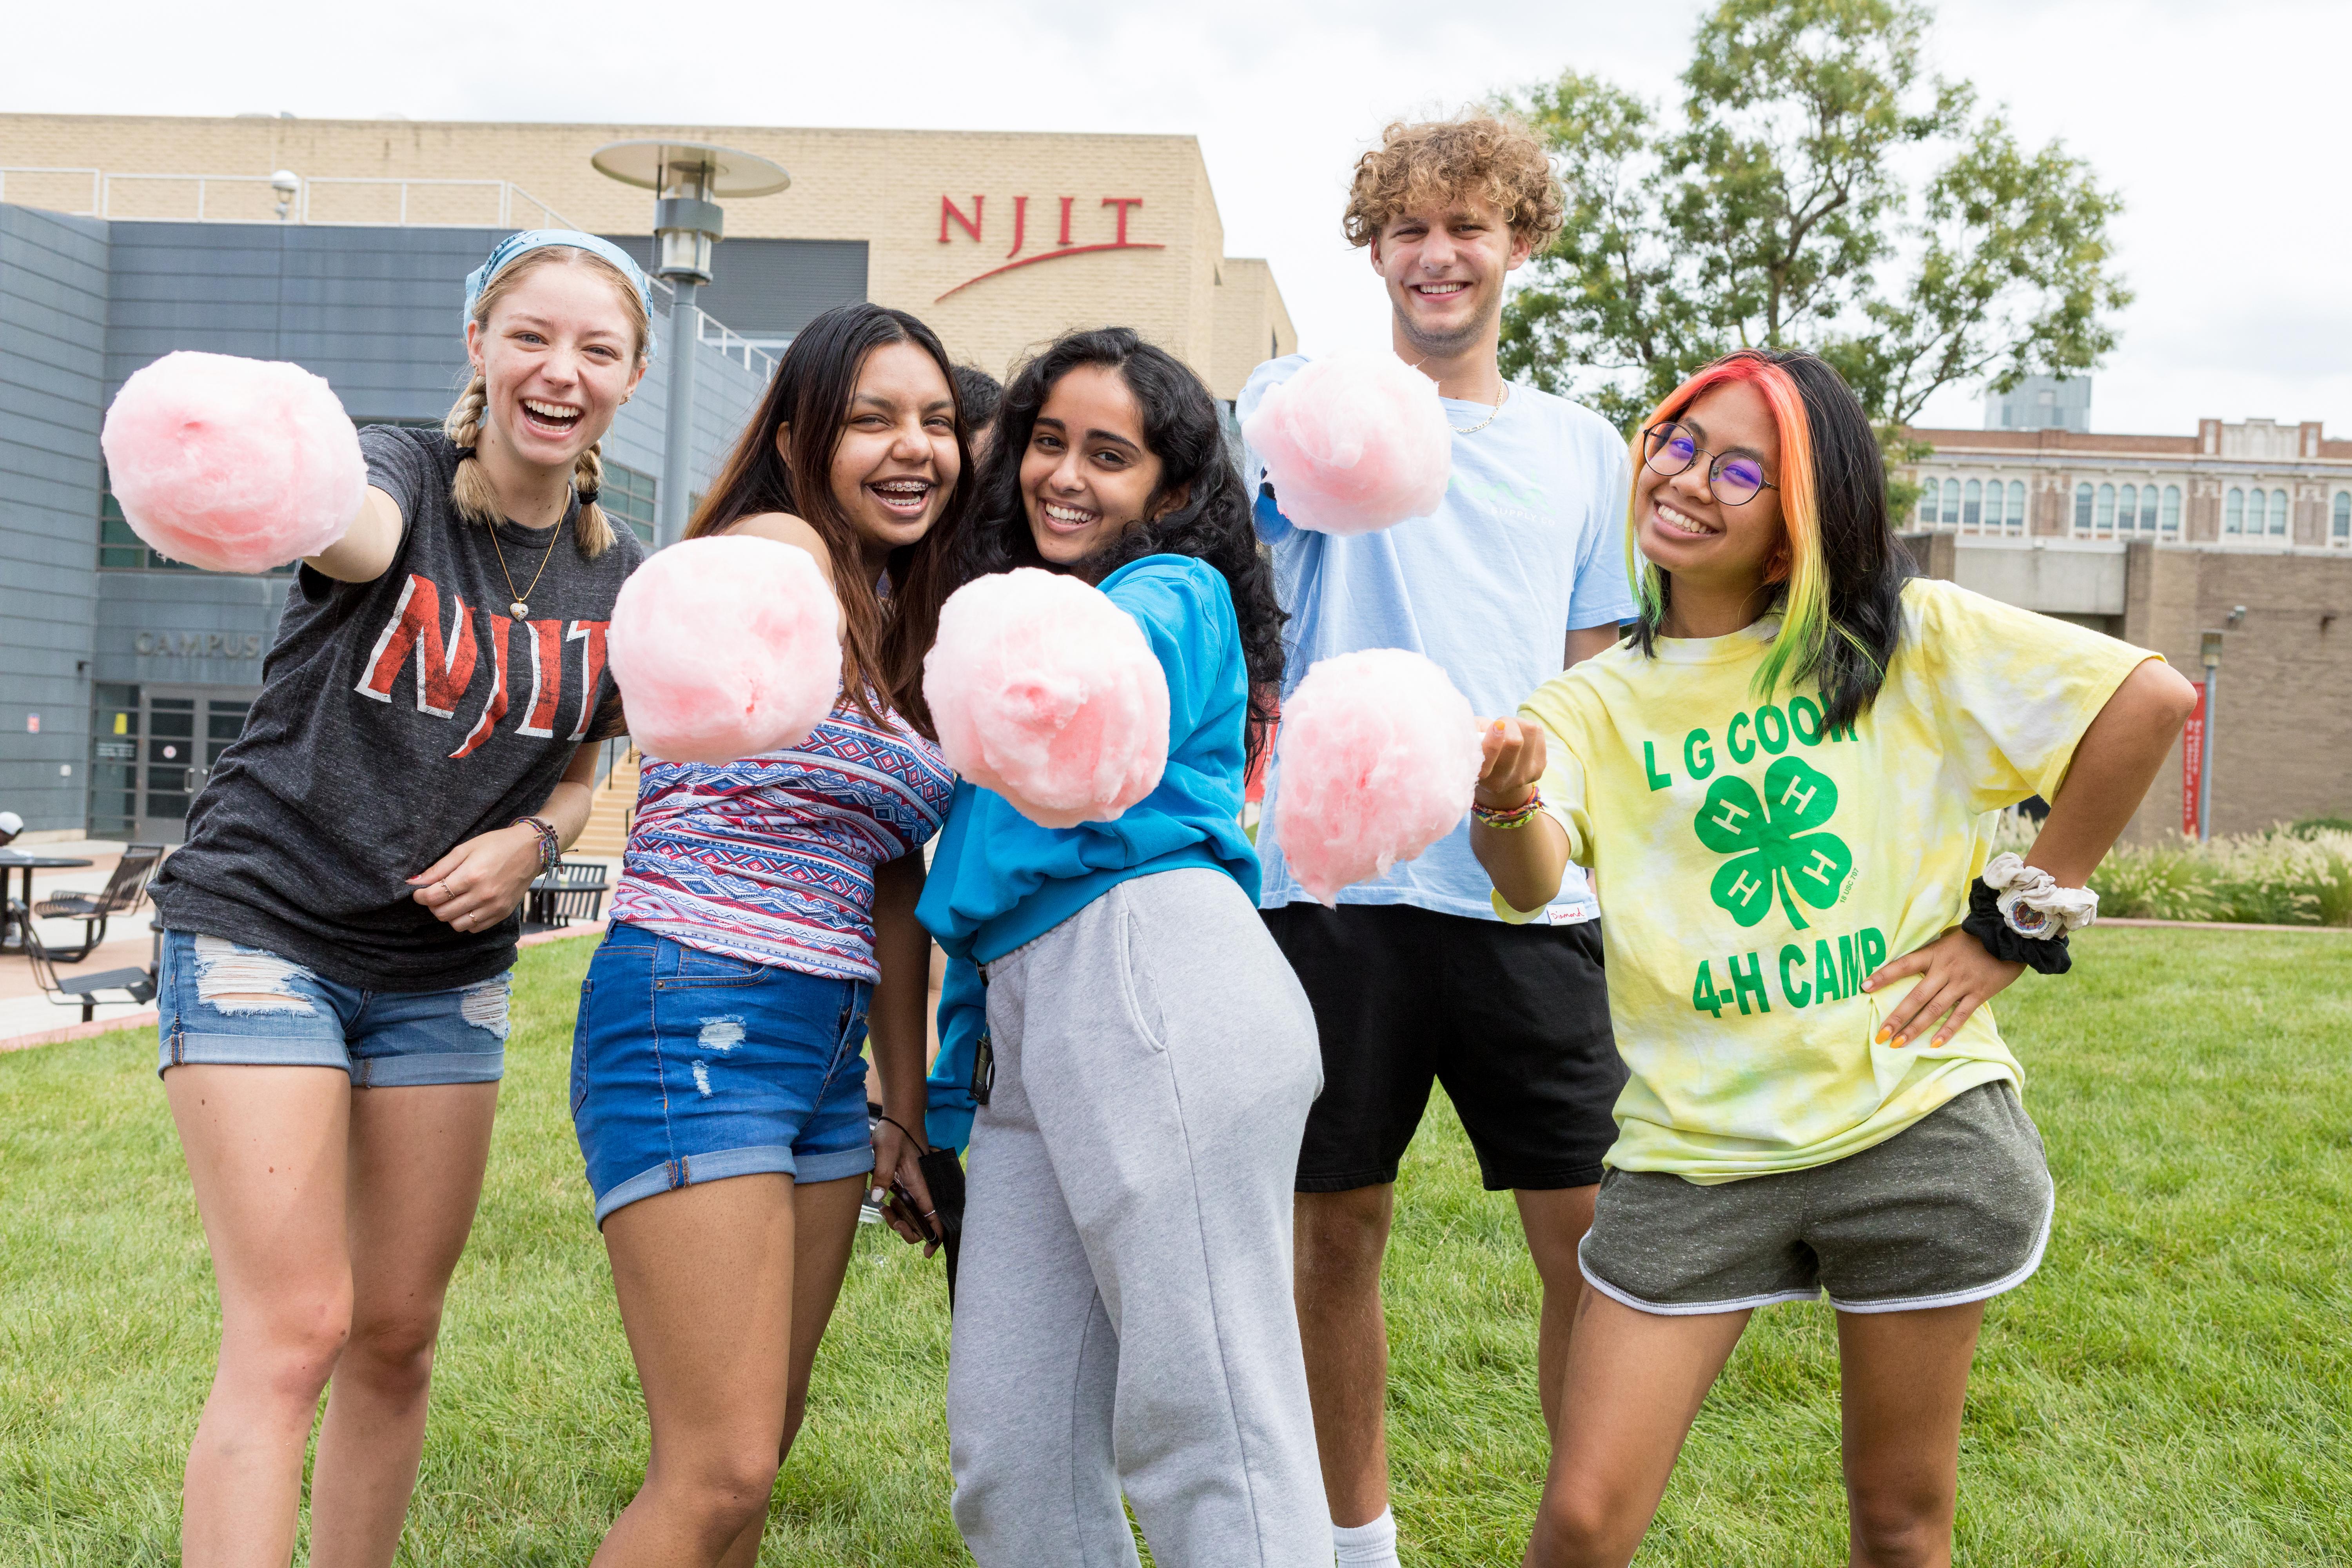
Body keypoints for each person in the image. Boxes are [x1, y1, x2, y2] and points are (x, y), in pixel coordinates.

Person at [1470, 348, 2196, 1568]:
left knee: (1900, 1527)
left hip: (1915, 1130)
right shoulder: (1590, 702)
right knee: (1584, 1518)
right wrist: (1502, 803)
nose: (1687, 478)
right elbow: (1537, 876)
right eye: (1679, 441)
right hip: (1694, 1154)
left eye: (1738, 468)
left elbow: (2150, 698)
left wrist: (2014, 921)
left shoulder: (1907, 646)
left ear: (1794, 523)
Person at [145, 230, 653, 1566]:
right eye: (531, 337)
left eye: (596, 349)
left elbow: (581, 769)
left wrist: (534, 849)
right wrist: (287, 482)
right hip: (267, 927)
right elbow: (354, 535)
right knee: (296, 1327)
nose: (561, 371)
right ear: (477, 348)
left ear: (632, 379)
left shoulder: (623, 577)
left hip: (441, 976)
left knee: (397, 1334)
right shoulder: (398, 477)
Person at [1234, 116, 1637, 1568]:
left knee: (1589, 1241)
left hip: (1525, 889)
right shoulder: (1292, 401)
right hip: (1330, 881)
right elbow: (1251, 564)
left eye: (1469, 225)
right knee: (1334, 1233)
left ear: (1520, 243)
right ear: (1376, 250)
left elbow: (1598, 669)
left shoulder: (1585, 451)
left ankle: (1585, 1531)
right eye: (1408, 228)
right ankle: (1358, 1545)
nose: (1437, 253)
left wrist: (1582, 832)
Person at [922, 327, 1330, 1568]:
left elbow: (1097, 683)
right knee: (1014, 1454)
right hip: (1036, 1011)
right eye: (1047, 442)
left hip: (1153, 968)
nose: (1065, 476)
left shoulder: (1167, 595)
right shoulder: (1038, 617)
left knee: (1209, 1426)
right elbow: (985, 891)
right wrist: (946, 1094)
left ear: (1178, 491)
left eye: (1111, 455)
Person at [569, 301, 965, 1566]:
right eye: (874, 419)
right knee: (720, 1469)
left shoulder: (894, 608)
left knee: (752, 1461)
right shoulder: (779, 549)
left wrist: (901, 1107)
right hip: (699, 1002)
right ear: (798, 440)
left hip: (823, 1039)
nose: (917, 448)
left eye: (941, 422)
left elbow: (894, 873)